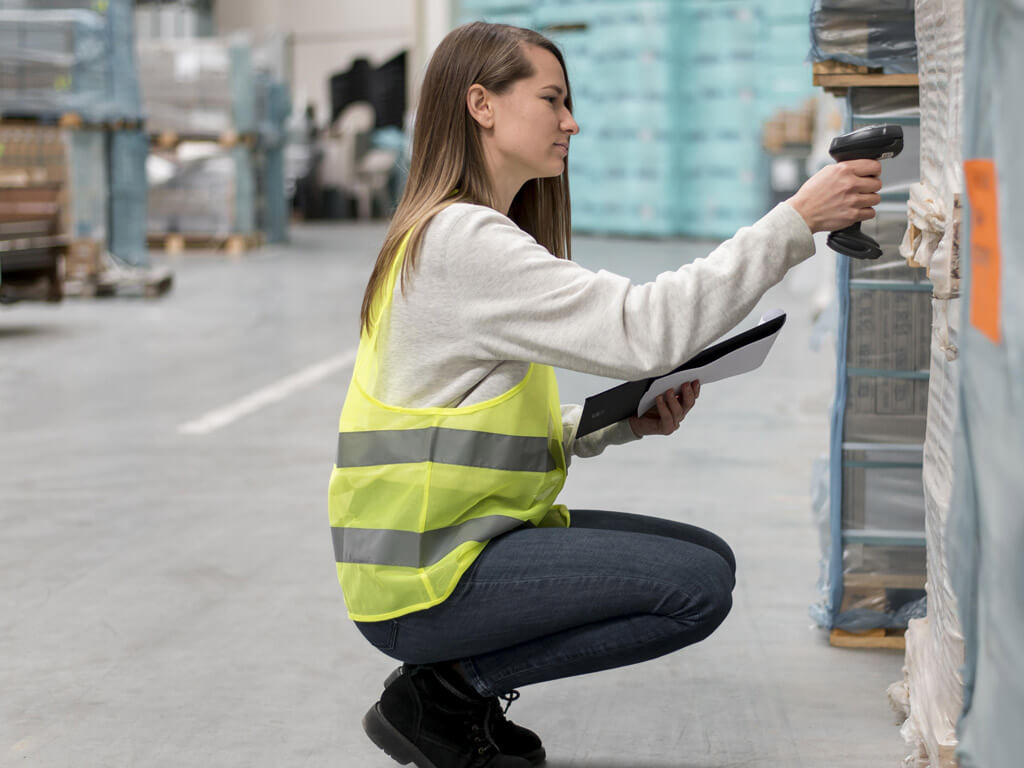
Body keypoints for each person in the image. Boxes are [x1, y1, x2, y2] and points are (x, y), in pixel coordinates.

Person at [327, 21, 882, 768]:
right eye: (552, 100)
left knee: (705, 559)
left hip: (445, 551)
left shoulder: (461, 233)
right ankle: (449, 691)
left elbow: (471, 433)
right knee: (694, 589)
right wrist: (797, 220)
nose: (571, 122)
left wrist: (621, 424)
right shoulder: (462, 242)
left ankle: (455, 687)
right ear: (482, 105)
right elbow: (643, 331)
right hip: (425, 581)